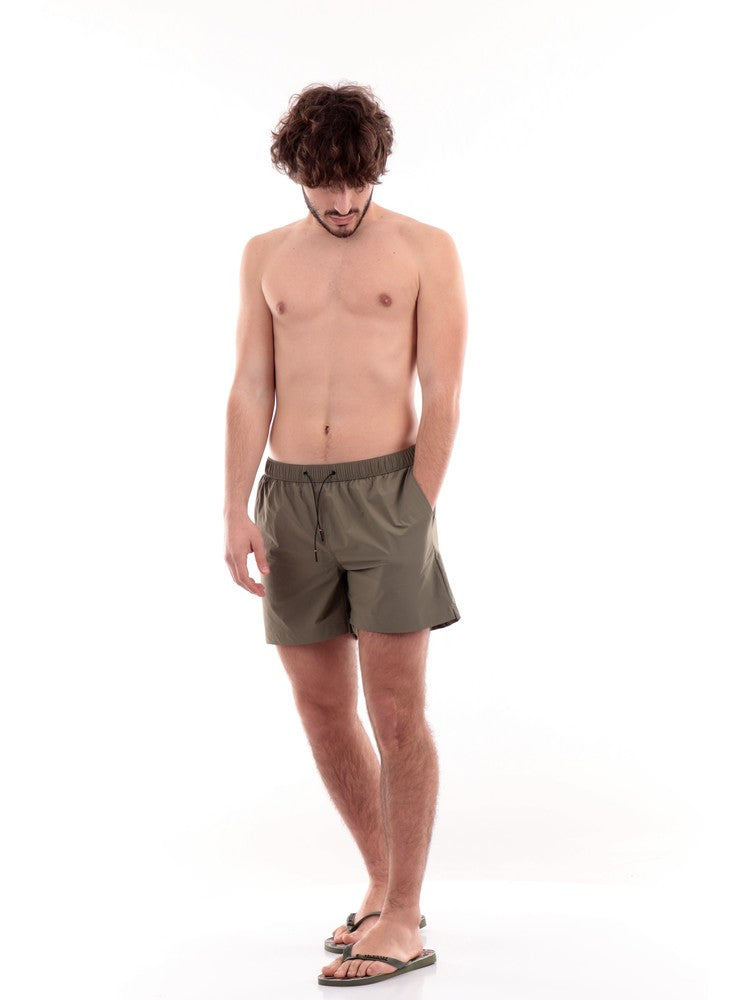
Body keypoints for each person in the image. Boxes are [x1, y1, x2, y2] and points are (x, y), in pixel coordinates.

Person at [223, 82, 467, 986]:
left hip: (387, 495)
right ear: (295, 172)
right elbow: (250, 385)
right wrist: (235, 507)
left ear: (377, 170)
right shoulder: (264, 256)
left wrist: (417, 506)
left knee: (396, 710)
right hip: (289, 500)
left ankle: (404, 916)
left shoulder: (424, 249)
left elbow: (443, 389)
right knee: (322, 707)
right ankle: (380, 883)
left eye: (356, 184)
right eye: (325, 187)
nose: (341, 203)